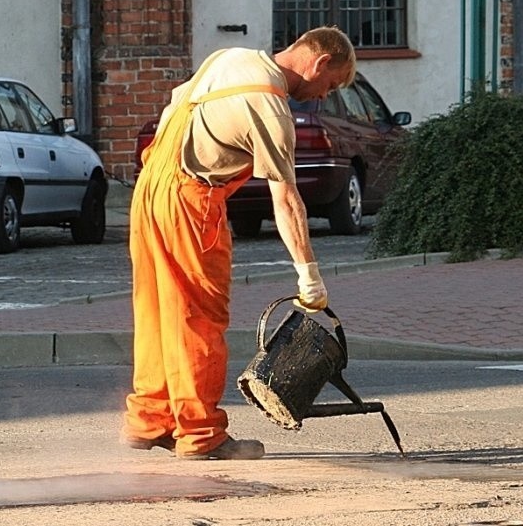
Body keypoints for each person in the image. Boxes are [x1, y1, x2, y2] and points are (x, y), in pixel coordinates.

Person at [121, 26, 356, 460]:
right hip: (192, 201)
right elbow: (285, 199)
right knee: (198, 317)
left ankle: (150, 420)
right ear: (320, 62)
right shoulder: (270, 107)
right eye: (332, 83)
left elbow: (176, 103)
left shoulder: (231, 58)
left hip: (151, 188)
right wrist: (310, 277)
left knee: (156, 309)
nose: (324, 94)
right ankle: (200, 434)